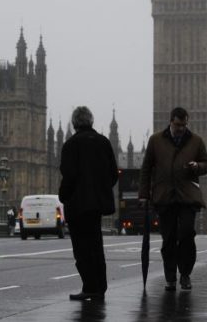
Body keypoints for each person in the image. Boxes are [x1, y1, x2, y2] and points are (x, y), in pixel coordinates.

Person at [139, 106, 207, 292]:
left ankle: (185, 273)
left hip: (187, 195)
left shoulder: (196, 140)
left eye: (184, 125)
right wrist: (144, 194)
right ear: (171, 121)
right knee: (168, 238)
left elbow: (206, 164)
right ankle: (170, 277)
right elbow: (146, 168)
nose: (181, 128)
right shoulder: (156, 140)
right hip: (164, 196)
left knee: (187, 234)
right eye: (178, 125)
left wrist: (198, 166)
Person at [58, 106, 119, 301]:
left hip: (77, 206)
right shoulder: (103, 142)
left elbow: (68, 176)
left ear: (75, 123)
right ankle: (99, 287)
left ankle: (89, 287)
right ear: (91, 121)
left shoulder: (70, 145)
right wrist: (101, 190)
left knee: (82, 249)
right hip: (96, 206)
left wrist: (63, 195)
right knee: (96, 245)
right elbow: (113, 174)